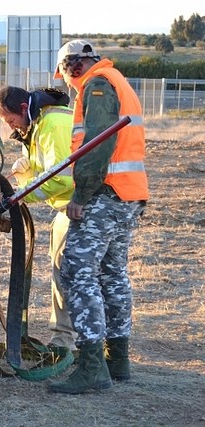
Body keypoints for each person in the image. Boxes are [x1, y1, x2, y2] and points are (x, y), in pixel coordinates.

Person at [48, 39, 149, 394]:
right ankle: (116, 360)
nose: (64, 81)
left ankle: (92, 366)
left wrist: (81, 195)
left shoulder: (98, 85)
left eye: (62, 72)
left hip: (106, 193)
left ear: (71, 66)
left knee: (78, 268)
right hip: (128, 194)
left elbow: (98, 143)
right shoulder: (115, 78)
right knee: (112, 273)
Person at [0, 86, 77, 352]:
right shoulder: (39, 126)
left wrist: (20, 195)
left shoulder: (52, 124)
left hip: (77, 209)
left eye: (10, 120)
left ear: (24, 109)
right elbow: (46, 172)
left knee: (67, 276)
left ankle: (65, 342)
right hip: (69, 208)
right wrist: (26, 177)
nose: (10, 126)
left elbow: (61, 176)